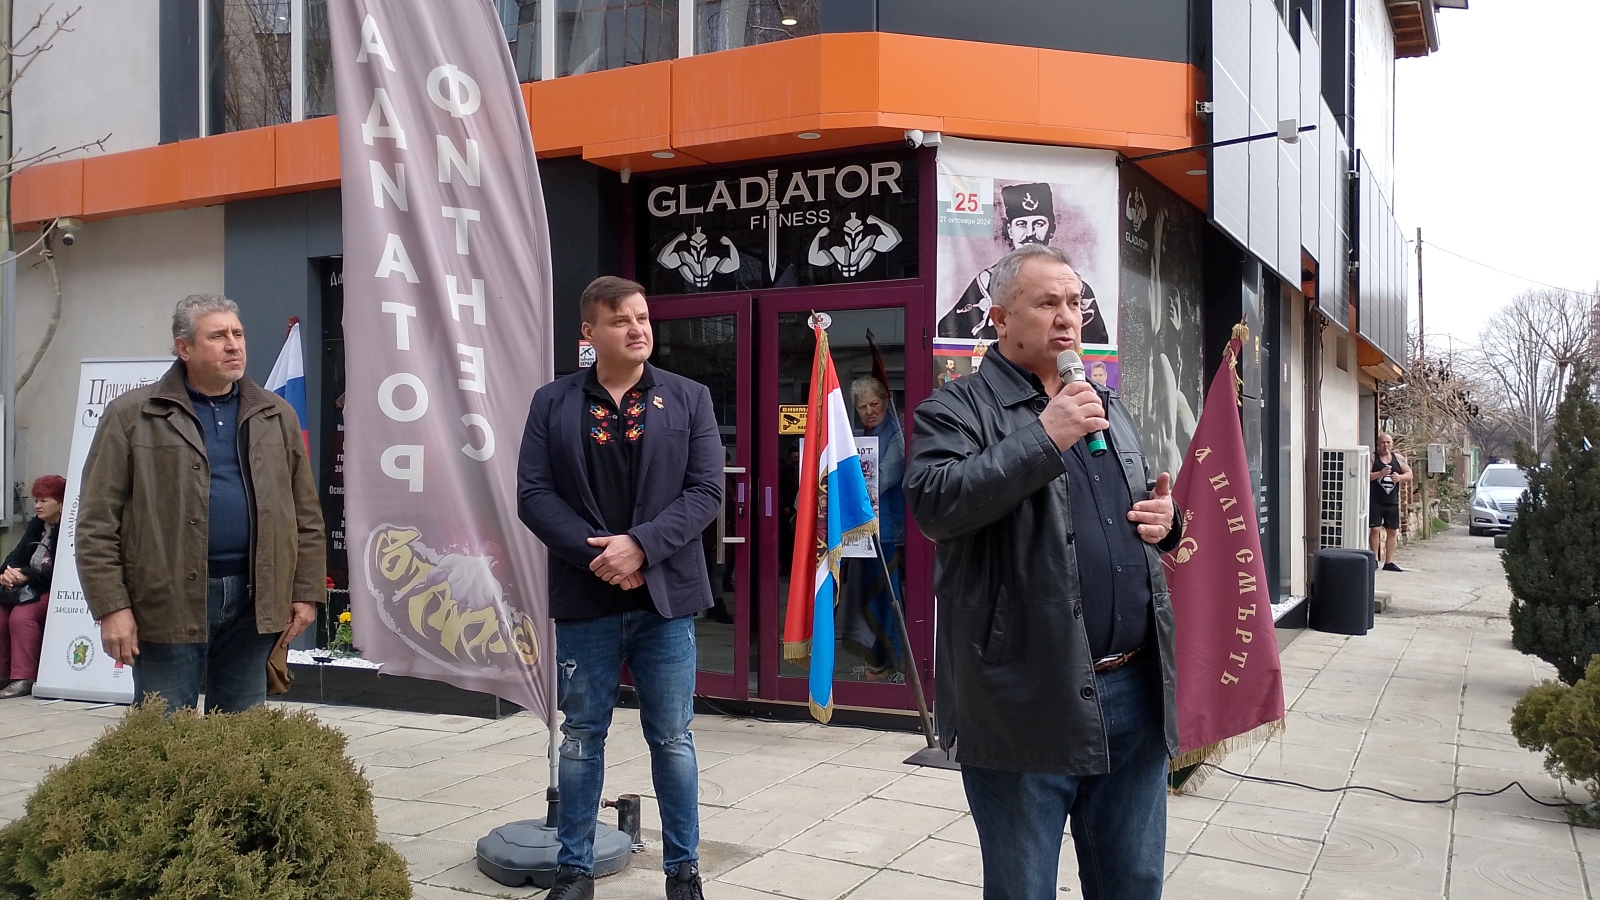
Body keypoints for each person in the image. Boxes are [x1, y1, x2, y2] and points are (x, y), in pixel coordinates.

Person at [905, 244, 1183, 900]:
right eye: (1047, 302)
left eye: (1075, 302)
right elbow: (936, 505)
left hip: (1134, 690)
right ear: (1000, 318)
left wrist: (1168, 523)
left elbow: (1131, 512)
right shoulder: (955, 409)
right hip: (1023, 699)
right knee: (1023, 887)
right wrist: (1044, 436)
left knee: (1133, 882)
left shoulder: (1105, 406)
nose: (1067, 317)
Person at [517, 276, 723, 900]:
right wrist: (602, 558)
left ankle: (682, 872)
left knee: (673, 739)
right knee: (582, 737)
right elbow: (533, 495)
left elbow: (705, 492)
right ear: (589, 332)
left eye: (642, 318)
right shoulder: (552, 402)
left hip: (665, 602)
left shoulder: (688, 398)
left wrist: (641, 546)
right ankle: (574, 872)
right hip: (587, 600)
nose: (638, 329)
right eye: (621, 320)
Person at [77, 294, 324, 712]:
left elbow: (306, 513)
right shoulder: (132, 415)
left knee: (240, 734)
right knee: (164, 735)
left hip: (256, 602)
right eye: (218, 336)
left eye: (238, 334)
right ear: (184, 348)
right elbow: (96, 523)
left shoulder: (275, 414)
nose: (233, 345)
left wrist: (306, 591)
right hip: (166, 603)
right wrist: (112, 607)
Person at [938, 183, 1111, 345]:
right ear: (1010, 230)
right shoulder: (987, 283)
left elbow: (1098, 346)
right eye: (1021, 224)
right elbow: (949, 331)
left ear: (1051, 229)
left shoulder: (1075, 288)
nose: (1030, 233)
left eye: (1039, 224)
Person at [838, 376, 906, 681]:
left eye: (874, 403)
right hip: (863, 532)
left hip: (889, 531)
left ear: (886, 401)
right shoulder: (855, 436)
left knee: (889, 598)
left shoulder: (898, 436)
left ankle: (899, 664)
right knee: (866, 596)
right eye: (862, 406)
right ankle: (879, 662)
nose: (869, 411)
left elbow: (883, 477)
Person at [0, 475, 67, 698]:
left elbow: (59, 571)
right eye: (36, 500)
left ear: (61, 503)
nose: (37, 505)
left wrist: (26, 576)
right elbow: (15, 556)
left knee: (22, 616)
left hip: (53, 590)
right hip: (29, 587)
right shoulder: (37, 525)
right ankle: (2, 674)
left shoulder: (69, 530)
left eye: (44, 501)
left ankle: (23, 677)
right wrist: (7, 573)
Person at [1369, 433, 1411, 572]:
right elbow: (1365, 475)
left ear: (1392, 444)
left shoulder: (1398, 458)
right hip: (1375, 500)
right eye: (1383, 442)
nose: (1385, 445)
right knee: (1375, 529)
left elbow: (1409, 474)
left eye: (1388, 442)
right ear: (1378, 444)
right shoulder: (1372, 457)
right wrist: (1380, 474)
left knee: (1392, 530)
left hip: (1392, 501)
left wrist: (1399, 477)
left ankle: (1389, 562)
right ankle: (1374, 559)